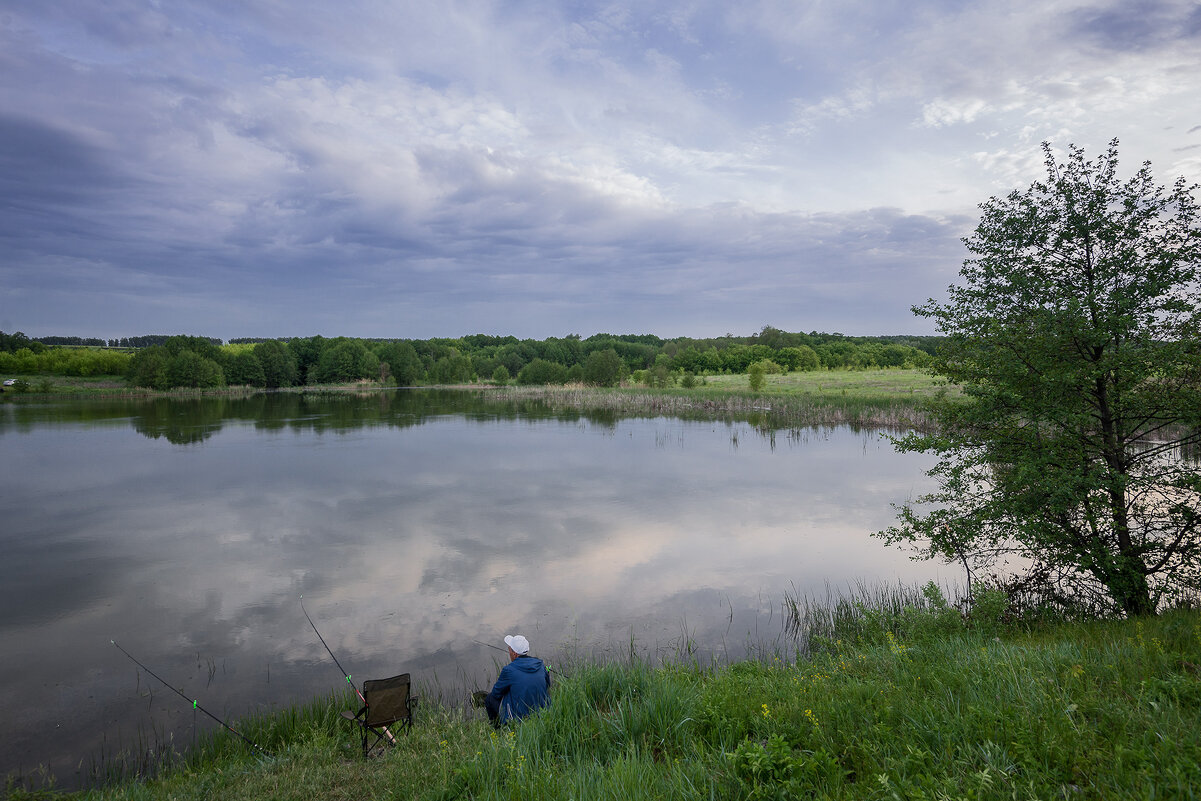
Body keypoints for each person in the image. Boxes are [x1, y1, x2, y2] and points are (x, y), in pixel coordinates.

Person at [483, 634, 551, 725]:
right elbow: (547, 685)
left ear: (514, 654)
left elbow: (496, 693)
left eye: (509, 650)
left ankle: (497, 727)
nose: (509, 652)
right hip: (543, 712)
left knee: (489, 699)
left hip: (520, 720)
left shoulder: (509, 670)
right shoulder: (540, 664)